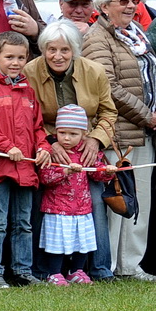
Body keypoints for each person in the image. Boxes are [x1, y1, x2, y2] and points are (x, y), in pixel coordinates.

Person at [81, 0, 156, 279]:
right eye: (123, 1)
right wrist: (146, 115)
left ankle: (131, 265)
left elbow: (155, 73)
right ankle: (110, 265)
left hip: (144, 132)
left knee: (140, 198)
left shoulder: (138, 33)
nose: (131, 5)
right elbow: (108, 87)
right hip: (117, 133)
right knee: (117, 199)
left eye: (134, 0)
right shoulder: (96, 38)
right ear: (104, 6)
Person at [28, 22, 117, 282]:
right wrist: (50, 142)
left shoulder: (94, 71)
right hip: (47, 146)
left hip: (87, 145)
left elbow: (108, 111)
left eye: (65, 50)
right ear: (43, 49)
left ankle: (98, 268)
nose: (58, 56)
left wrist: (96, 140)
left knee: (95, 203)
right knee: (43, 205)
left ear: (75, 50)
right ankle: (44, 269)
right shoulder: (30, 71)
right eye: (51, 49)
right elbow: (28, 115)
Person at [0, 32, 47, 287]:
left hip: (25, 167)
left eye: (21, 58)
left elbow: (37, 127)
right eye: (9, 57)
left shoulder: (28, 92)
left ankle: (22, 270)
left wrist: (43, 147)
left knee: (23, 223)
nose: (15, 62)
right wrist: (7, 146)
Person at [35, 106, 114, 284]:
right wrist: (65, 172)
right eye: (62, 133)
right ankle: (54, 272)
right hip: (57, 208)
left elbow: (96, 173)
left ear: (84, 134)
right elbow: (45, 178)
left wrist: (107, 172)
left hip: (82, 208)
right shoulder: (51, 153)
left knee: (82, 241)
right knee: (57, 243)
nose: (67, 138)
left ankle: (76, 271)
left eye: (73, 134)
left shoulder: (87, 151)